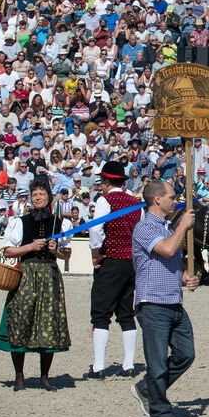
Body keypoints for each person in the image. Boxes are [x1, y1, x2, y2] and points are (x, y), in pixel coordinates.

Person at [129, 180, 198, 417]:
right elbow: (167, 250)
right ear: (157, 199)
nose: (174, 200)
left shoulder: (168, 228)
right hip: (153, 303)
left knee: (185, 354)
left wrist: (186, 277)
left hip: (173, 301)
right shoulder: (144, 227)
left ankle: (147, 389)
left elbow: (170, 263)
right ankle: (159, 411)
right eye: (171, 196)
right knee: (157, 362)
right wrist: (182, 226)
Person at [0, 180, 73, 391]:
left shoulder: (60, 223)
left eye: (41, 193)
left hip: (49, 275)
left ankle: (44, 377)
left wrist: (56, 250)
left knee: (47, 322)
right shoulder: (20, 222)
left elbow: (67, 254)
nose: (38, 197)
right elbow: (8, 251)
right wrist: (29, 246)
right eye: (34, 194)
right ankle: (19, 376)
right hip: (26, 275)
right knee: (20, 319)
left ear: (49, 196)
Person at [87, 160, 142, 380]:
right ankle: (128, 364)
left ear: (106, 182)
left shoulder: (105, 200)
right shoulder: (135, 203)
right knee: (126, 312)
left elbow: (96, 229)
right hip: (131, 262)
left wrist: (95, 254)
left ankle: (99, 366)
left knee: (101, 313)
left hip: (110, 259)